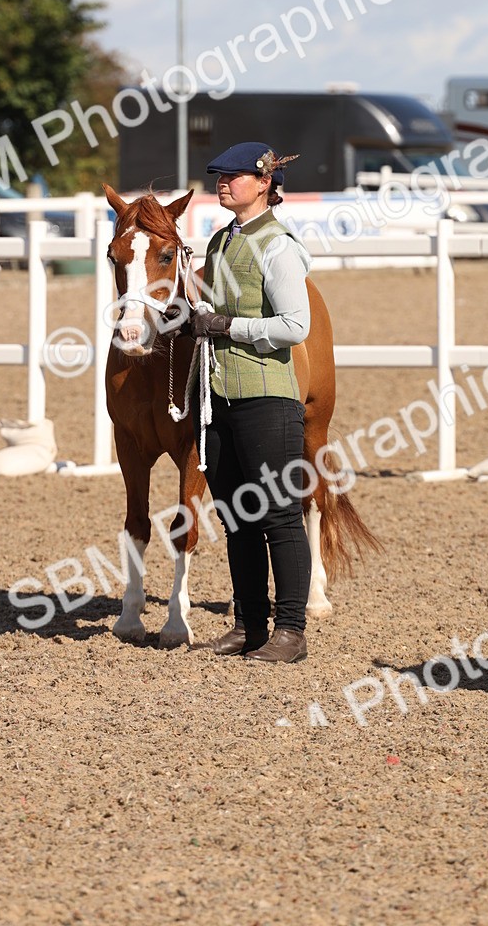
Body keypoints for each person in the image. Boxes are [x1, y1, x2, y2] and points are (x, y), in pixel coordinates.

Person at [187, 141, 312, 663]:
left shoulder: (278, 245)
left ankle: (292, 631)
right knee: (235, 517)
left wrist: (228, 326)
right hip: (217, 397)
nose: (223, 182)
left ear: (264, 183)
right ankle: (249, 625)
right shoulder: (220, 241)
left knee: (280, 516)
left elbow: (295, 325)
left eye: (234, 176)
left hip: (266, 395)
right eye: (219, 176)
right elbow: (211, 304)